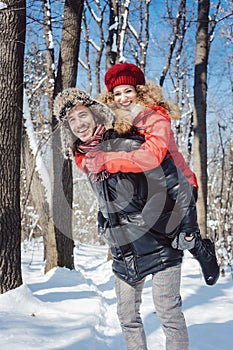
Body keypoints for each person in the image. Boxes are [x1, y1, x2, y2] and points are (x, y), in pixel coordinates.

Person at [54, 87, 219, 350]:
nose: (79, 123)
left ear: (96, 114)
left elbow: (176, 183)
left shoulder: (126, 141)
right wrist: (105, 223)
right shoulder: (86, 157)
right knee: (127, 316)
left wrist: (187, 228)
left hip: (159, 241)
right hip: (124, 249)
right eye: (71, 120)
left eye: (82, 114)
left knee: (168, 313)